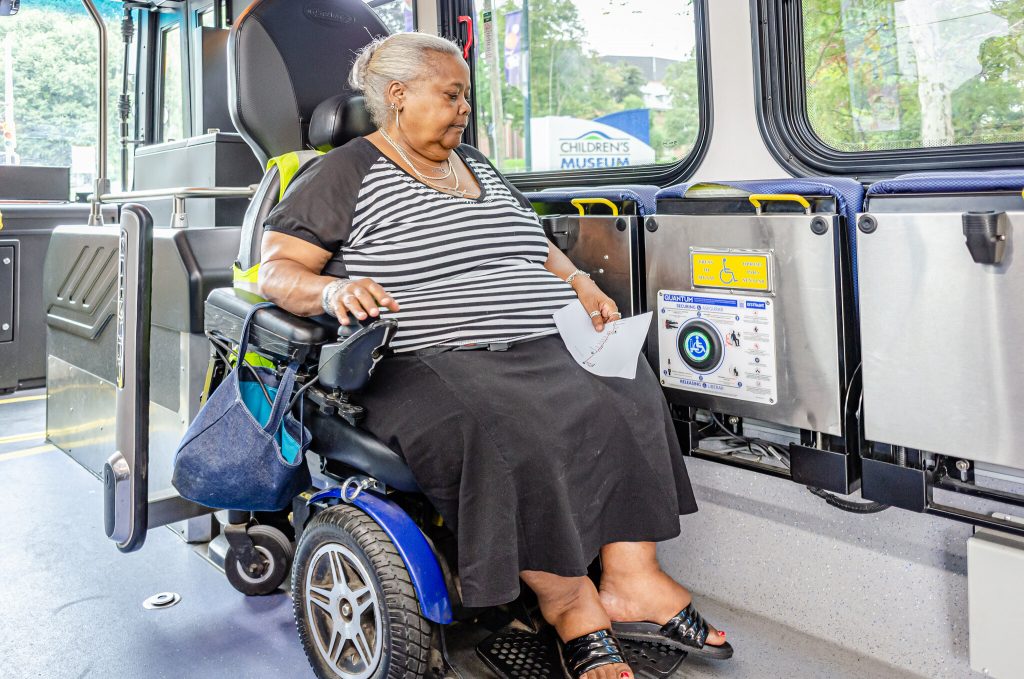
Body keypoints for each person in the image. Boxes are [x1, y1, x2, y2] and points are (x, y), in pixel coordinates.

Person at [258, 32, 732, 679]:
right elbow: (277, 271)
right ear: (398, 97)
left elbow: (535, 247)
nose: (464, 109)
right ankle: (571, 604)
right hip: (425, 354)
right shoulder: (345, 171)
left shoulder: (475, 164)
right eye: (451, 95)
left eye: (465, 96)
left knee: (626, 381)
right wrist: (333, 287)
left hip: (539, 336)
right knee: (509, 426)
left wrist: (581, 285)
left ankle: (632, 575)